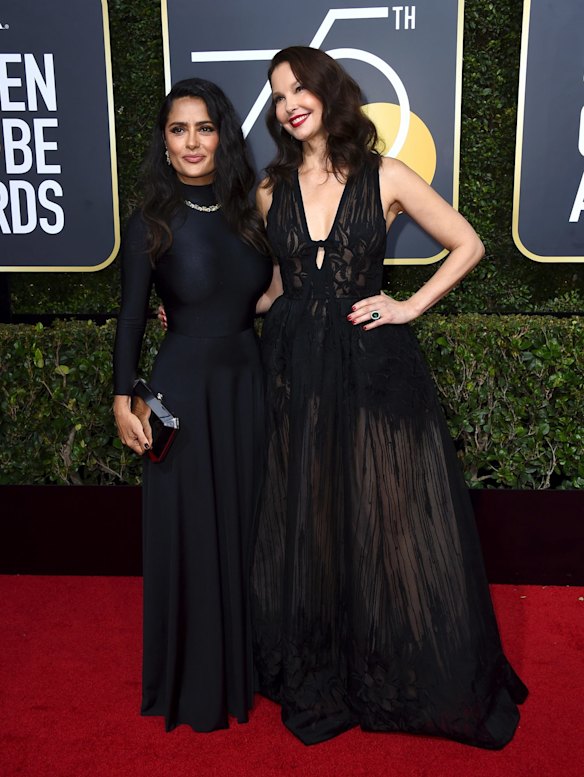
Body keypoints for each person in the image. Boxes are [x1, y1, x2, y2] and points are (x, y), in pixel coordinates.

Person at [250, 46, 528, 748]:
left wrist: (408, 305)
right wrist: (202, 312)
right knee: (308, 520)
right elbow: (280, 288)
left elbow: (467, 243)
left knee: (383, 518)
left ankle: (389, 664)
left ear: (328, 92)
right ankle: (322, 668)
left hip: (370, 369)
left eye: (301, 87)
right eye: (279, 94)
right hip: (293, 372)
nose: (290, 102)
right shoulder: (267, 186)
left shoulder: (386, 174)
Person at [112, 78, 272, 733]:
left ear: (222, 135)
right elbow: (128, 319)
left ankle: (251, 665)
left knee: (245, 526)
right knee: (192, 533)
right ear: (165, 142)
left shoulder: (247, 210)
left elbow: (264, 293)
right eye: (178, 130)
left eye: (203, 128)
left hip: (246, 384)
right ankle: (198, 679)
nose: (192, 141)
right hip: (181, 388)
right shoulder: (150, 217)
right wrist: (124, 397)